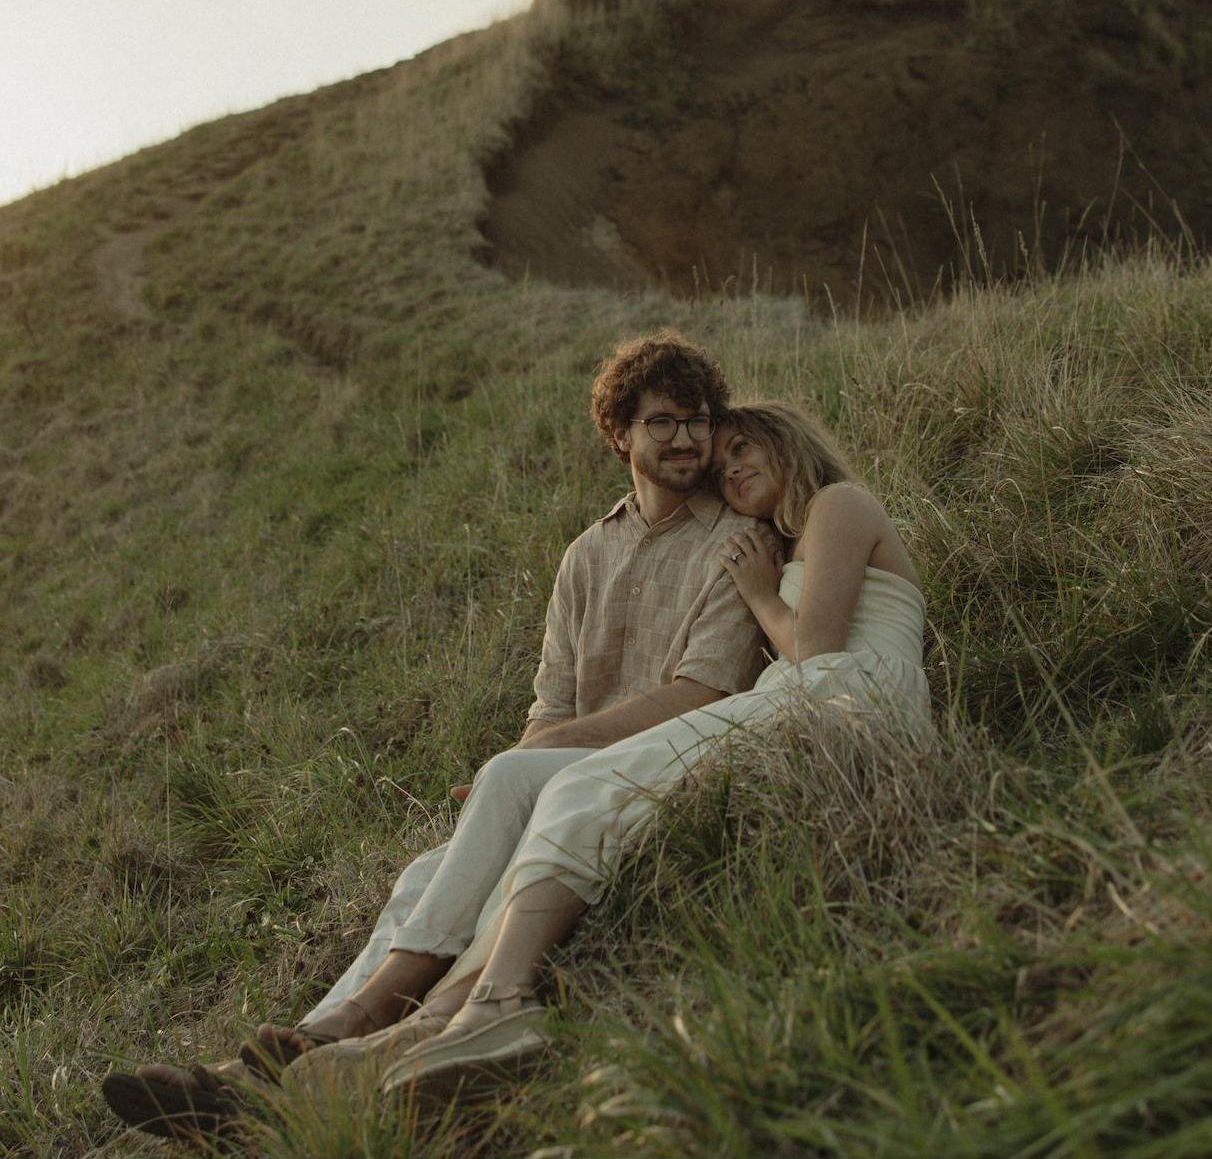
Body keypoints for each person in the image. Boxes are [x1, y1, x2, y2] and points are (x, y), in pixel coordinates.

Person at [101, 328, 768, 1140]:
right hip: (561, 778)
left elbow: (701, 694)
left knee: (508, 778)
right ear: (619, 434)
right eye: (663, 421)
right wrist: (525, 762)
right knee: (427, 872)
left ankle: (351, 1024)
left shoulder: (734, 538)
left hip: (661, 767)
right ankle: (264, 1081)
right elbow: (549, 706)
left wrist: (526, 764)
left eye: (698, 420)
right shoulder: (587, 554)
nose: (687, 439)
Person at [346, 400, 931, 1103]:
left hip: (843, 694)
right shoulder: (783, 538)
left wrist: (757, 593)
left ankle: (498, 1004)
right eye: (722, 467)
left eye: (743, 449)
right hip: (808, 698)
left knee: (578, 787)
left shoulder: (839, 503)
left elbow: (815, 650)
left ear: (788, 444)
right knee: (571, 794)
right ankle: (443, 1013)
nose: (731, 470)